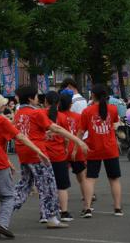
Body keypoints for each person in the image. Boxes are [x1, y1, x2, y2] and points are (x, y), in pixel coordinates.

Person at [0, 92, 50, 241]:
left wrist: (8, 161)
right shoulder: (1, 121)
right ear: (0, 105)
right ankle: (2, 224)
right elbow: (20, 136)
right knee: (8, 197)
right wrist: (38, 150)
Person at [12, 86, 88, 229]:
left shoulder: (18, 113)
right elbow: (57, 128)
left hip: (24, 153)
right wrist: (78, 141)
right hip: (38, 154)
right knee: (48, 185)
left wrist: (44, 135)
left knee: (24, 185)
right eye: (36, 96)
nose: (38, 99)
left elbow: (29, 132)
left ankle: (6, 211)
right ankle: (51, 217)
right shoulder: (36, 113)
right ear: (30, 98)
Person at [78, 84, 123, 218]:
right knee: (114, 179)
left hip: (93, 149)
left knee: (90, 179)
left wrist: (76, 146)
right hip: (110, 149)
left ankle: (87, 208)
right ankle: (118, 208)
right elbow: (115, 124)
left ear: (92, 95)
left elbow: (81, 131)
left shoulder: (87, 111)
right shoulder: (113, 109)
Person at [43, 91, 74, 222]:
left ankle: (44, 213)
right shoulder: (62, 117)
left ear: (46, 101)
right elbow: (67, 137)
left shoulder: (40, 115)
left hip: (44, 155)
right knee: (62, 186)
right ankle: (64, 212)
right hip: (59, 155)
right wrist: (66, 148)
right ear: (58, 103)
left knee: (45, 186)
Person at [58, 90, 89, 209]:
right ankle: (87, 206)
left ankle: (61, 207)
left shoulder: (57, 117)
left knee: (60, 180)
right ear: (71, 104)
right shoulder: (78, 117)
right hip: (76, 149)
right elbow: (82, 132)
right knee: (82, 178)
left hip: (62, 150)